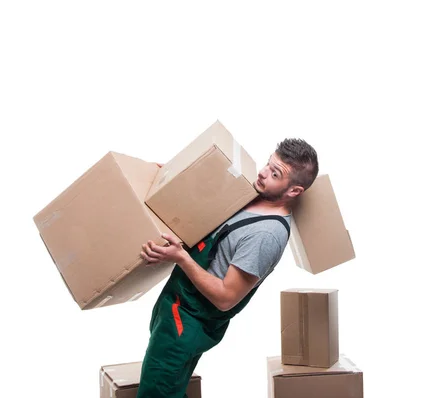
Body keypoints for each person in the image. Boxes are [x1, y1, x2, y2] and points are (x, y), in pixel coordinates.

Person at [136, 138, 319, 398]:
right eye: (268, 164)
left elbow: (226, 298)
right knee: (170, 390)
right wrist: (171, 179)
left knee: (156, 394)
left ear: (294, 191)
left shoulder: (266, 235)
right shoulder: (254, 194)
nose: (263, 172)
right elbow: (210, 198)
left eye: (275, 173)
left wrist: (181, 258)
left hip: (188, 323)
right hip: (176, 307)